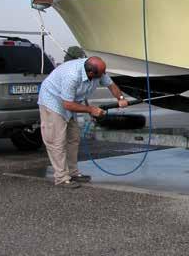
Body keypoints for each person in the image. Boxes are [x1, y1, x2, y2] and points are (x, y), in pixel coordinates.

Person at [38, 56, 129, 188]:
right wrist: (91, 109)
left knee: (73, 138)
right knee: (57, 141)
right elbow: (67, 104)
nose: (103, 76)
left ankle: (73, 173)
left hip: (71, 102)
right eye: (100, 75)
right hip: (53, 102)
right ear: (91, 73)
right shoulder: (72, 76)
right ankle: (62, 178)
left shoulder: (98, 70)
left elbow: (111, 85)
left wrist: (120, 98)